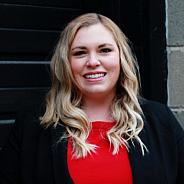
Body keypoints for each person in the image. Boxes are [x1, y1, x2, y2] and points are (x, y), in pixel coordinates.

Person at [0, 13, 184, 184]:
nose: (93, 62)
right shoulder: (32, 126)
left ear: (121, 57)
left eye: (104, 50)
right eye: (80, 53)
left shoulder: (160, 121)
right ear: (66, 63)